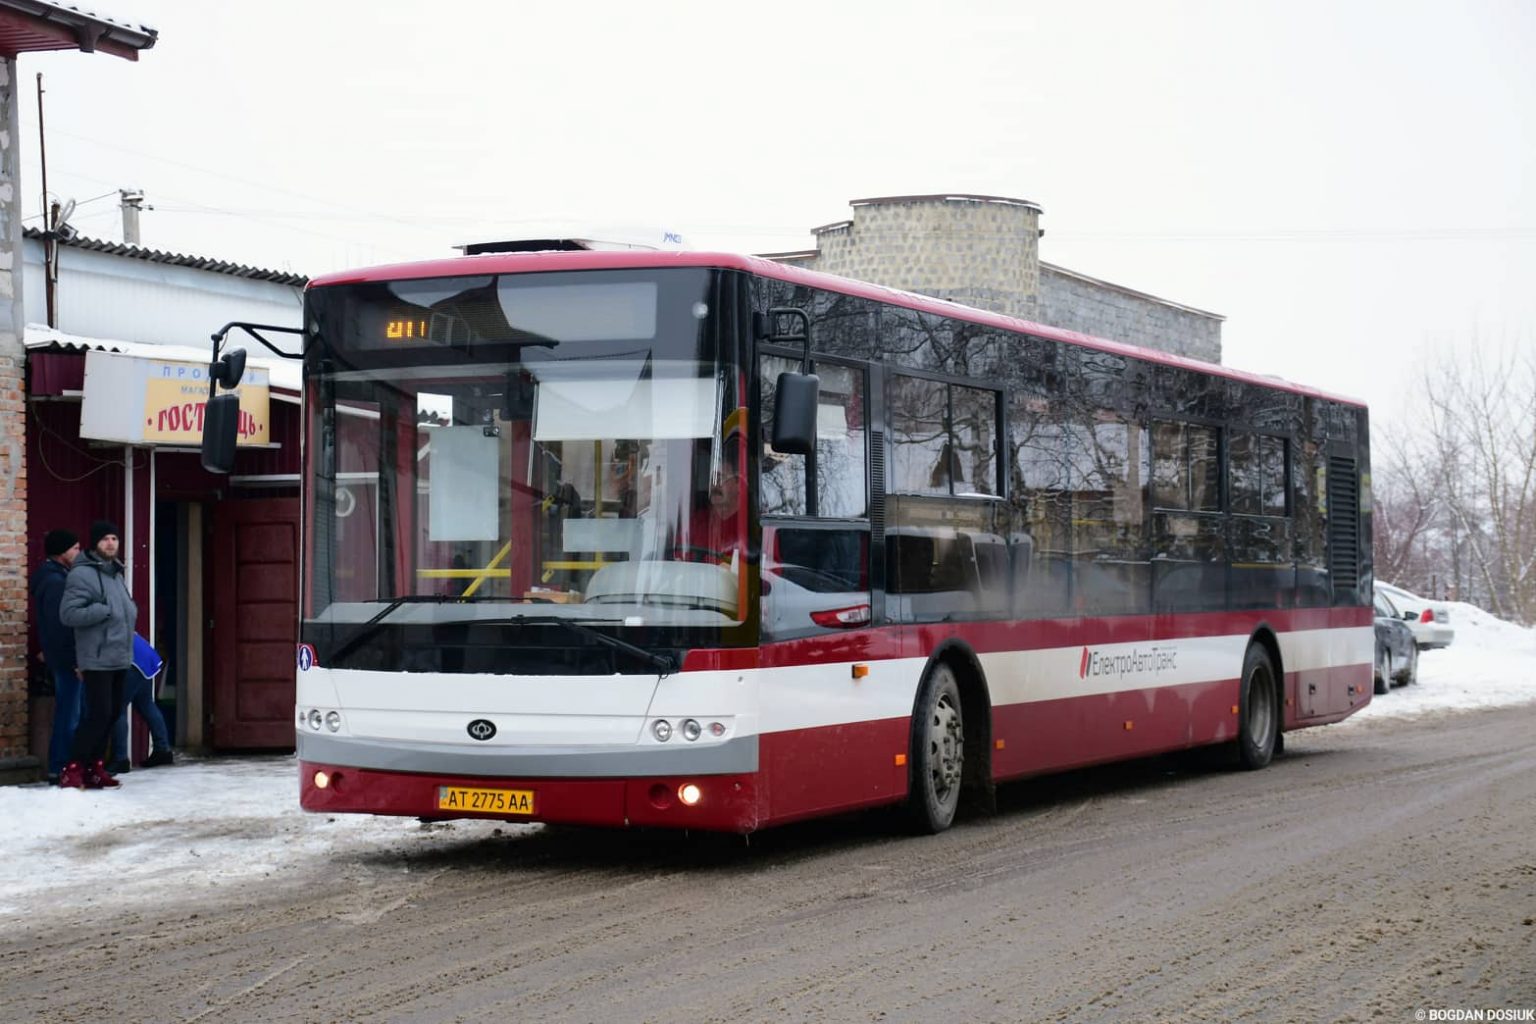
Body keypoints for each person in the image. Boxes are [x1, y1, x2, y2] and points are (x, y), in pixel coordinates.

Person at [57, 520, 137, 790]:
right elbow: (68, 614)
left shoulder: (116, 574)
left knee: (113, 713)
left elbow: (124, 612)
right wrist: (101, 611)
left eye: (114, 538)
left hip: (119, 656)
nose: (111, 544)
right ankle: (73, 768)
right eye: (105, 539)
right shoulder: (82, 574)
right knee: (98, 714)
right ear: (94, 543)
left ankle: (94, 767)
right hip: (96, 657)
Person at [29, 528, 82, 783]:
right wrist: (75, 660)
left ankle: (63, 766)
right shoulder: (56, 582)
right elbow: (61, 625)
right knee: (69, 714)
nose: (78, 552)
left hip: (60, 657)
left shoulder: (54, 577)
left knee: (69, 712)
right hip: (66, 660)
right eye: (75, 548)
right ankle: (60, 767)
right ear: (62, 553)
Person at [108, 634, 174, 772]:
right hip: (145, 657)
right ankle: (163, 749)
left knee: (117, 708)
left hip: (131, 660)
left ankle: (120, 758)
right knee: (146, 704)